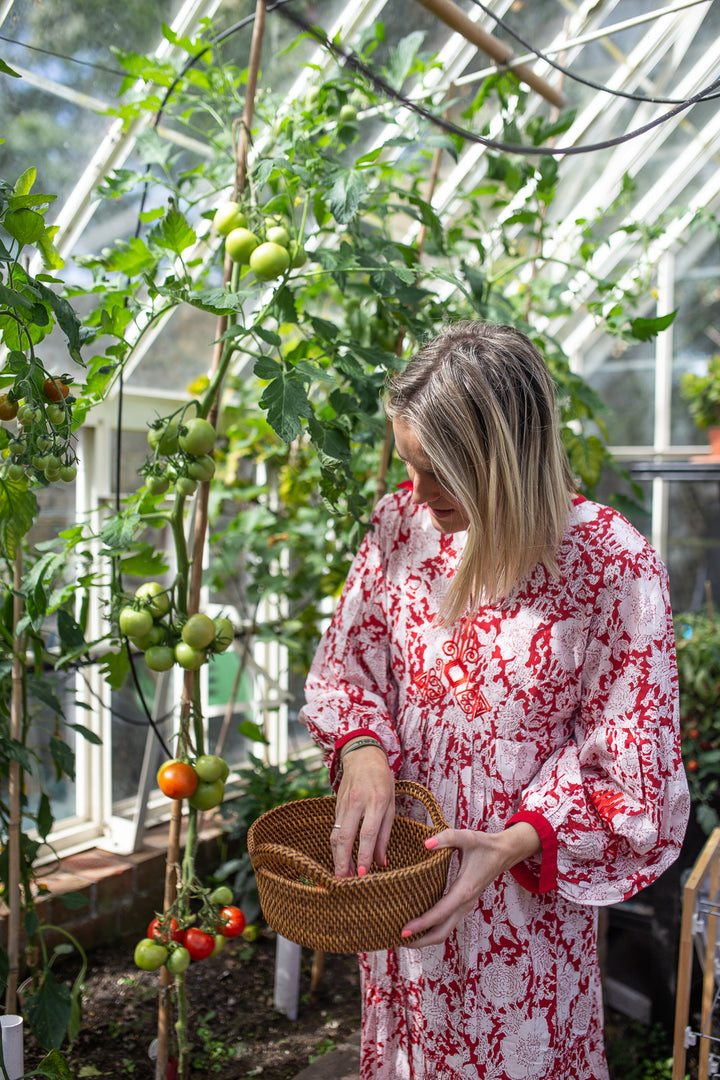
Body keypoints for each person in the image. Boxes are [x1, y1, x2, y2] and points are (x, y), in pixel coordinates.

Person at [298, 321, 690, 1080]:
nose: (419, 493)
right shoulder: (399, 529)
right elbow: (345, 668)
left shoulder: (610, 562)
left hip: (522, 913)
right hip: (401, 886)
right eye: (410, 465)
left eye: (440, 470)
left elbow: (632, 771)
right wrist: (363, 751)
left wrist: (510, 844)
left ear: (502, 460)